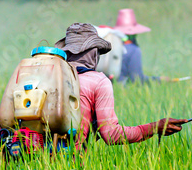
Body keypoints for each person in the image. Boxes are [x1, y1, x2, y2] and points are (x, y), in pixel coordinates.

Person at [55, 22, 184, 144]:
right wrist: (154, 127)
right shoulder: (98, 81)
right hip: (71, 160)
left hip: (37, 159)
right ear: (94, 53)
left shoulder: (48, 75)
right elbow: (112, 135)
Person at [112, 8, 166, 84]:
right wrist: (158, 80)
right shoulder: (133, 50)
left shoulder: (107, 47)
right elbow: (136, 79)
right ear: (134, 33)